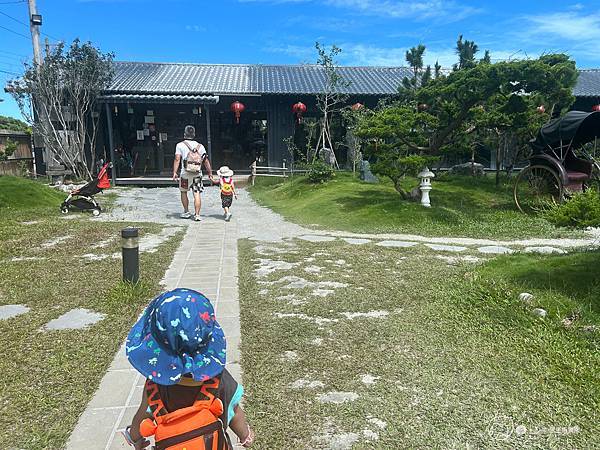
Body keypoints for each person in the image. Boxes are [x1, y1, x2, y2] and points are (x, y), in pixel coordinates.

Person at [124, 288, 255, 449]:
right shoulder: (220, 379)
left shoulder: (155, 386)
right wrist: (245, 436)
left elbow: (142, 417)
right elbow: (234, 412)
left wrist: (134, 436)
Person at [172, 125, 215, 222]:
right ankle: (197, 215)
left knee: (183, 192)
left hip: (185, 174)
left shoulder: (180, 145)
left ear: (184, 134)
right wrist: (210, 173)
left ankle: (186, 212)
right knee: (197, 193)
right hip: (197, 173)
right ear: (194, 134)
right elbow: (206, 160)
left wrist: (175, 172)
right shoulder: (200, 146)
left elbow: (177, 159)